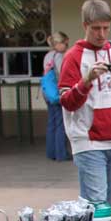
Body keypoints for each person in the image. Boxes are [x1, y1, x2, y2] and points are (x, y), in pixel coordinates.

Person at [58, 0, 111, 213]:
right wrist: (85, 82)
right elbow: (67, 102)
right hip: (89, 144)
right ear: (85, 26)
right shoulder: (73, 57)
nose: (101, 34)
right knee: (97, 208)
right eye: (96, 28)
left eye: (105, 28)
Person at [42, 32, 71, 161]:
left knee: (52, 123)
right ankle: (61, 153)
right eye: (65, 43)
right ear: (58, 44)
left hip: (47, 93)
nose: (66, 46)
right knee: (61, 123)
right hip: (57, 92)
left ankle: (51, 152)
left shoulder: (47, 56)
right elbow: (62, 74)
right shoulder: (58, 56)